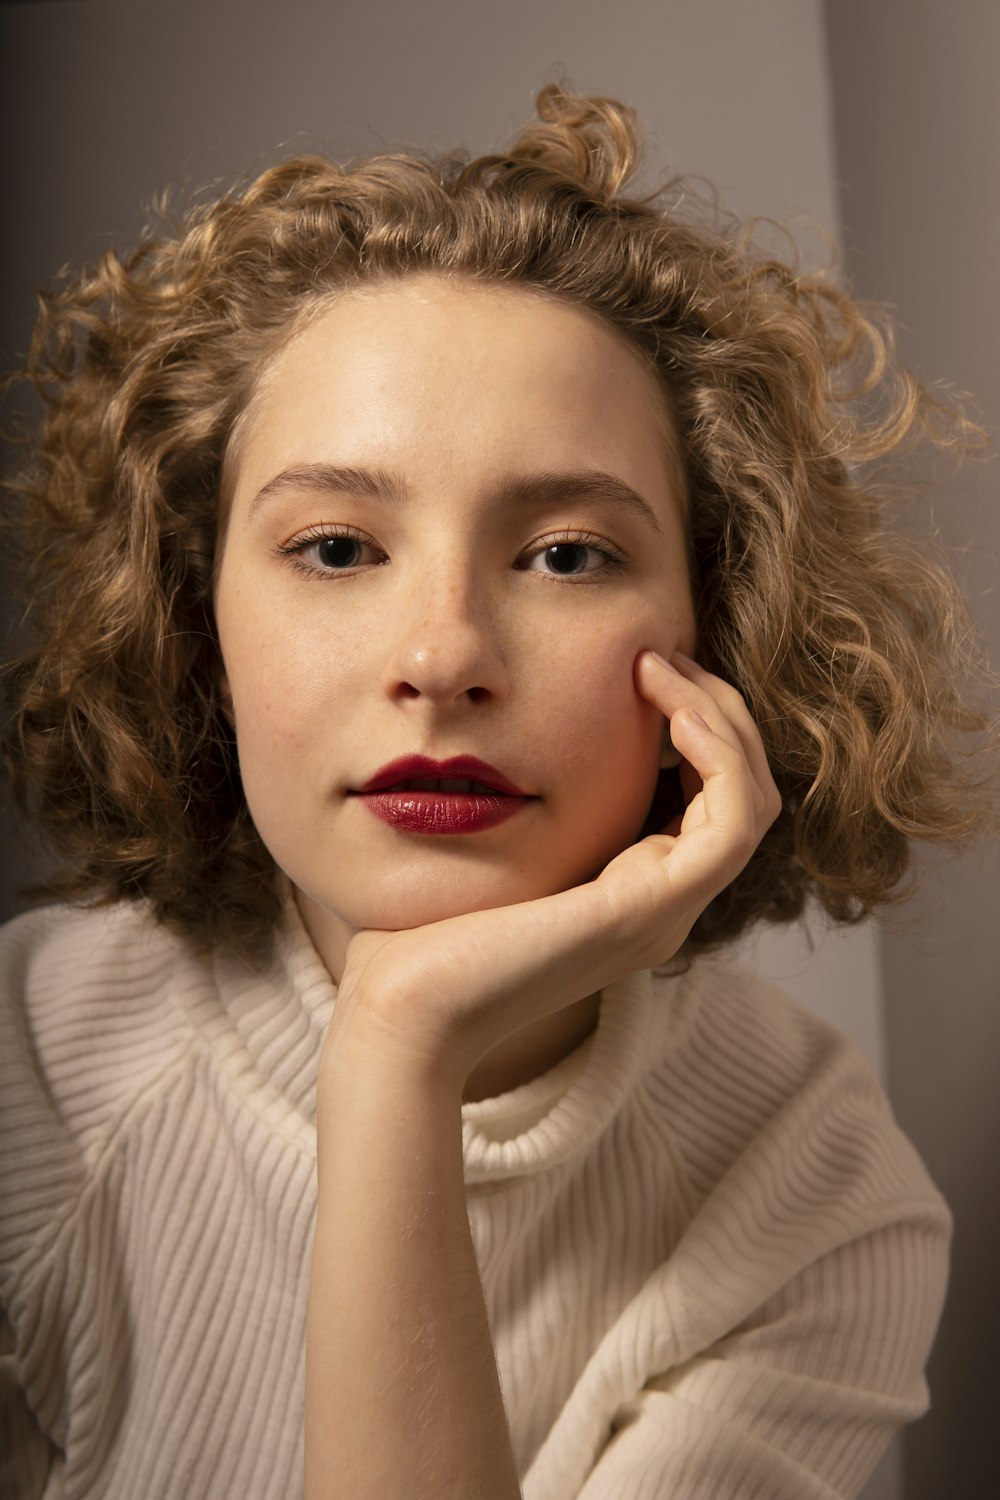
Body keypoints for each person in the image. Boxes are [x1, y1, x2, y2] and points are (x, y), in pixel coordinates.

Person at [0, 84, 994, 1500]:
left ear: (723, 632)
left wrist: (399, 1049)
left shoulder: (815, 1195)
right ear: (190, 615)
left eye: (569, 556)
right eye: (338, 548)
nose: (445, 656)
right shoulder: (27, 1070)